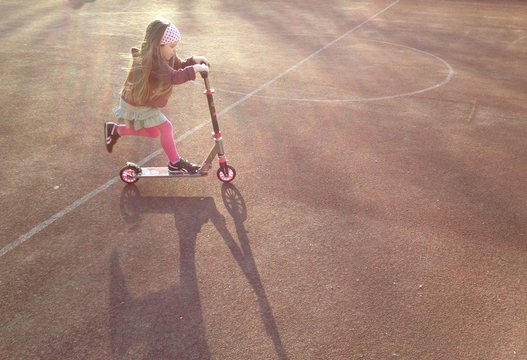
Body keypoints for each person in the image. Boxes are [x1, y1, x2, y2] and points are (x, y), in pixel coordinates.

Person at [105, 18, 209, 173]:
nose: (174, 50)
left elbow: (177, 66)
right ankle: (175, 163)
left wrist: (193, 61)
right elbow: (174, 77)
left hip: (142, 101)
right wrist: (194, 69)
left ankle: (115, 130)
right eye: (172, 46)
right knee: (166, 127)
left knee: (153, 132)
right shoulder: (153, 62)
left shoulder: (163, 55)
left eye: (176, 46)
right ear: (158, 46)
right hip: (136, 103)